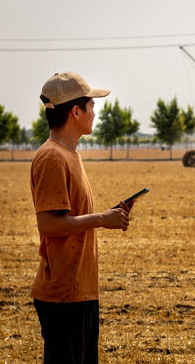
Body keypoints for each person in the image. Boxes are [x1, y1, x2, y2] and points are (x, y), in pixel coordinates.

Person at [30, 72, 132, 364]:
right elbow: (49, 225)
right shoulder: (52, 158)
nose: (95, 112)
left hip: (79, 290)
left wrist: (107, 216)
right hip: (63, 294)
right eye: (91, 105)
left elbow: (70, 218)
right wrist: (101, 219)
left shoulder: (69, 154)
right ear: (76, 112)